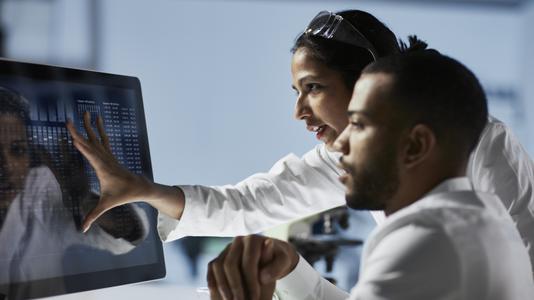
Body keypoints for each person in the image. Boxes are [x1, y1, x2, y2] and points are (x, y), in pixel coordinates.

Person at [67, 9, 534, 271]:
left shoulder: (482, 146)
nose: (299, 112)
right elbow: (247, 203)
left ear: (370, 82)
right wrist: (144, 192)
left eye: (313, 88)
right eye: (296, 92)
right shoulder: (341, 157)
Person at [206, 45, 534, 300]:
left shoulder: (424, 237)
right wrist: (291, 271)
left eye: (358, 125)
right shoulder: (484, 222)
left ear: (416, 145)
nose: (341, 143)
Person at [0, 87, 148, 299]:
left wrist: (83, 198)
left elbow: (130, 234)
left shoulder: (41, 191)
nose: (6, 167)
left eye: (18, 150)